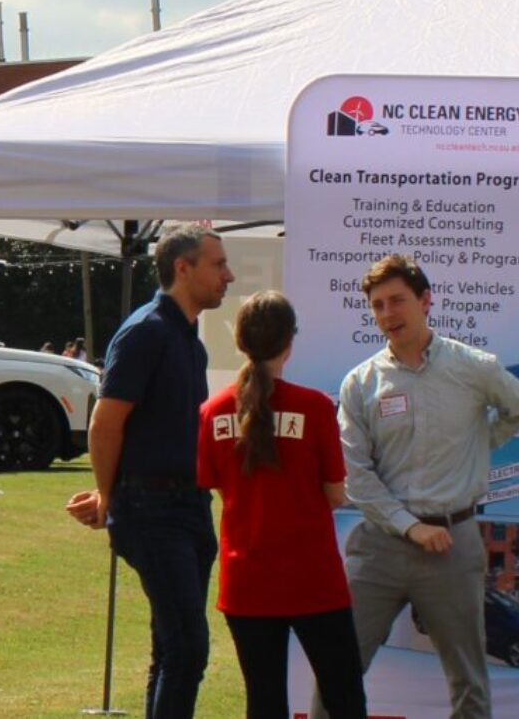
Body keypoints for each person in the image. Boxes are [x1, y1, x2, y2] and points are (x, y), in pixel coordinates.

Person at [334, 255, 519, 719]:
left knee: (468, 679)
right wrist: (409, 527)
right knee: (340, 670)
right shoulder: (361, 383)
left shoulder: (473, 366)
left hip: (453, 544)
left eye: (398, 301)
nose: (388, 314)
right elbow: (356, 474)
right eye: (378, 305)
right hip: (380, 548)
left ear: (426, 301)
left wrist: (477, 445)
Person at [60, 223, 232, 719]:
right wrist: (109, 496)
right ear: (183, 267)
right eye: (218, 264)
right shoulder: (147, 332)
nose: (229, 276)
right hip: (153, 511)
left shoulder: (189, 342)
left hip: (189, 506)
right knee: (188, 647)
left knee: (172, 647)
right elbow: (105, 422)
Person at [195, 292, 368, 719]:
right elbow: (335, 493)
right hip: (313, 578)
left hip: (247, 579)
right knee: (344, 695)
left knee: (264, 700)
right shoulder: (314, 407)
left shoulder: (212, 411)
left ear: (239, 341)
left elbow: (213, 483)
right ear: (290, 341)